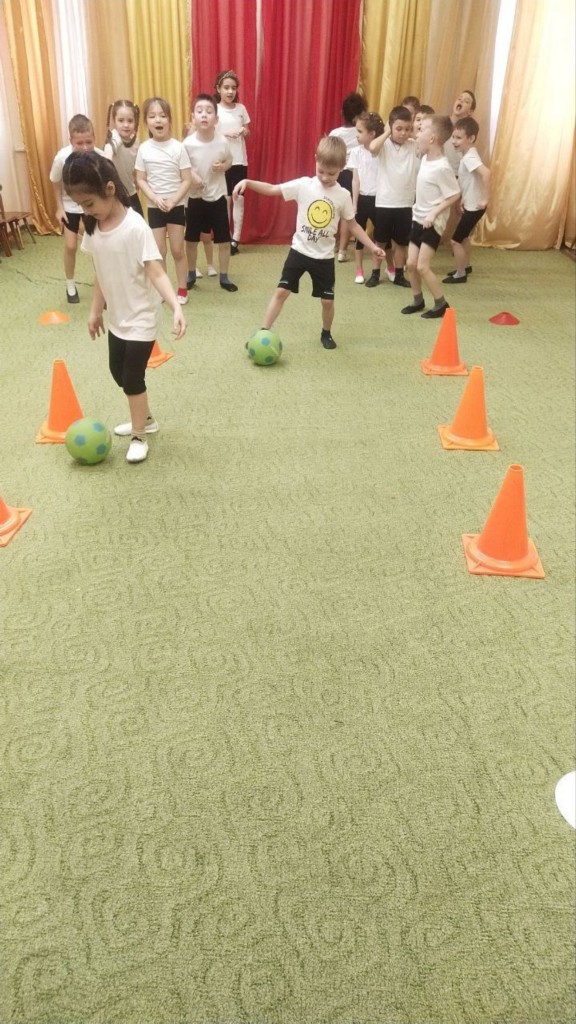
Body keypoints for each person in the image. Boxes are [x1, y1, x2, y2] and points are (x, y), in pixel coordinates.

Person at [62, 151, 186, 463]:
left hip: (142, 316)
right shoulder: (94, 227)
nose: (86, 211)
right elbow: (100, 273)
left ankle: (139, 435)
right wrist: (95, 311)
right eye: (80, 206)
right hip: (117, 317)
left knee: (132, 378)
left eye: (89, 203)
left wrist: (175, 305)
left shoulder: (135, 227)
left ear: (109, 189)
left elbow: (156, 271)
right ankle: (146, 418)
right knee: (117, 372)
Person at [233, 136, 385, 350]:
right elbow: (273, 189)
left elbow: (353, 225)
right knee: (281, 292)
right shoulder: (304, 185)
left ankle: (326, 333)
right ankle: (263, 331)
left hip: (324, 258)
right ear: (315, 159)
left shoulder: (343, 195)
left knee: (327, 301)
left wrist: (372, 246)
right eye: (321, 171)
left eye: (331, 173)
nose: (325, 177)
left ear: (342, 168)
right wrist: (248, 182)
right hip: (299, 252)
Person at [135, 97, 197, 306]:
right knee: (159, 251)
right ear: (146, 122)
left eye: (162, 116)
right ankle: (164, 289)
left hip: (176, 206)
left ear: (170, 120)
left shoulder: (178, 148)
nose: (158, 120)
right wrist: (154, 198)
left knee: (178, 250)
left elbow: (186, 179)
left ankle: (182, 287)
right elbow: (140, 179)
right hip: (155, 208)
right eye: (152, 116)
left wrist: (173, 200)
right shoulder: (144, 148)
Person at [402, 115, 460, 318]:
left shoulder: (442, 167)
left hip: (432, 224)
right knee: (411, 264)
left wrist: (434, 213)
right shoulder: (425, 158)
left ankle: (441, 304)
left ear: (432, 138)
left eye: (422, 129)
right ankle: (418, 300)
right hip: (418, 219)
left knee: (422, 267)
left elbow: (454, 194)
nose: (417, 132)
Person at [183, 93, 238, 293]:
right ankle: (190, 274)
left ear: (216, 118)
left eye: (209, 111)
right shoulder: (187, 144)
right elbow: (182, 168)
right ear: (193, 117)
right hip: (194, 198)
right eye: (199, 111)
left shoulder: (222, 142)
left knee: (223, 240)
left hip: (217, 197)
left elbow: (230, 161)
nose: (204, 115)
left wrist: (223, 166)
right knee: (191, 240)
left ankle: (224, 277)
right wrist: (192, 176)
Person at [50, 114, 104, 304]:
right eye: (79, 143)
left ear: (94, 137)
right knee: (71, 246)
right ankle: (70, 284)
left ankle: (103, 286)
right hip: (70, 206)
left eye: (89, 142)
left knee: (98, 247)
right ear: (71, 140)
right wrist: (59, 208)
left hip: (92, 207)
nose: (85, 147)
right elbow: (55, 182)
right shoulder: (62, 158)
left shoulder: (100, 156)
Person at [368, 105, 419, 289]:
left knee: (401, 243)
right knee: (380, 241)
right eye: (399, 129)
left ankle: (398, 274)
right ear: (390, 127)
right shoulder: (384, 145)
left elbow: (428, 143)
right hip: (385, 202)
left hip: (405, 203)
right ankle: (375, 273)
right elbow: (372, 147)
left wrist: (414, 133)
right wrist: (388, 132)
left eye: (407, 129)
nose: (403, 133)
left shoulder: (413, 145)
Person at [443, 117, 490, 283]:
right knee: (464, 238)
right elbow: (467, 181)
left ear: (471, 138)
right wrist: (462, 199)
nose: (454, 141)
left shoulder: (469, 158)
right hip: (471, 204)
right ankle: (466, 266)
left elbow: (486, 173)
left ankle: (460, 274)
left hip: (475, 207)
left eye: (459, 138)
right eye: (453, 137)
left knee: (455, 241)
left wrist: (485, 199)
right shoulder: (468, 155)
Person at [214, 70, 251, 255]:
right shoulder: (214, 109)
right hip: (221, 161)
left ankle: (236, 239)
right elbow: (209, 134)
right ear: (218, 89)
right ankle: (226, 237)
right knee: (225, 200)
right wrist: (227, 134)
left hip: (240, 161)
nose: (230, 92)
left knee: (238, 198)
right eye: (226, 88)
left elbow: (248, 131)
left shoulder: (241, 108)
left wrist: (244, 131)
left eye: (233, 88)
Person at [329, 92, 368, 261]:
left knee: (334, 209)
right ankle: (342, 251)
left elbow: (330, 155)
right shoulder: (363, 132)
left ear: (342, 112)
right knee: (347, 212)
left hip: (338, 174)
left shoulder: (335, 133)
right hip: (355, 175)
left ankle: (332, 243)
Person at [349, 111, 385, 284]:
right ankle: (359, 269)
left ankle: (388, 268)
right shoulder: (356, 152)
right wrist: (354, 203)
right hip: (363, 198)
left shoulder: (382, 151)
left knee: (382, 236)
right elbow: (355, 180)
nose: (356, 135)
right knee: (360, 237)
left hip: (379, 199)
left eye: (360, 131)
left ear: (372, 134)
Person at [103, 100, 143, 216]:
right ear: (114, 121)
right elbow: (108, 153)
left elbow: (135, 166)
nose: (126, 125)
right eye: (121, 120)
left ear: (136, 122)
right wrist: (107, 160)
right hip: (115, 195)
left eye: (130, 121)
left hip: (130, 191)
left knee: (139, 221)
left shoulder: (136, 142)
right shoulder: (115, 137)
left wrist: (137, 181)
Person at [444, 90, 477, 174]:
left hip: (455, 175)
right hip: (438, 172)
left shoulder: (469, 130)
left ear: (470, 111)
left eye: (466, 101)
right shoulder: (441, 123)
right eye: (459, 98)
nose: (461, 101)